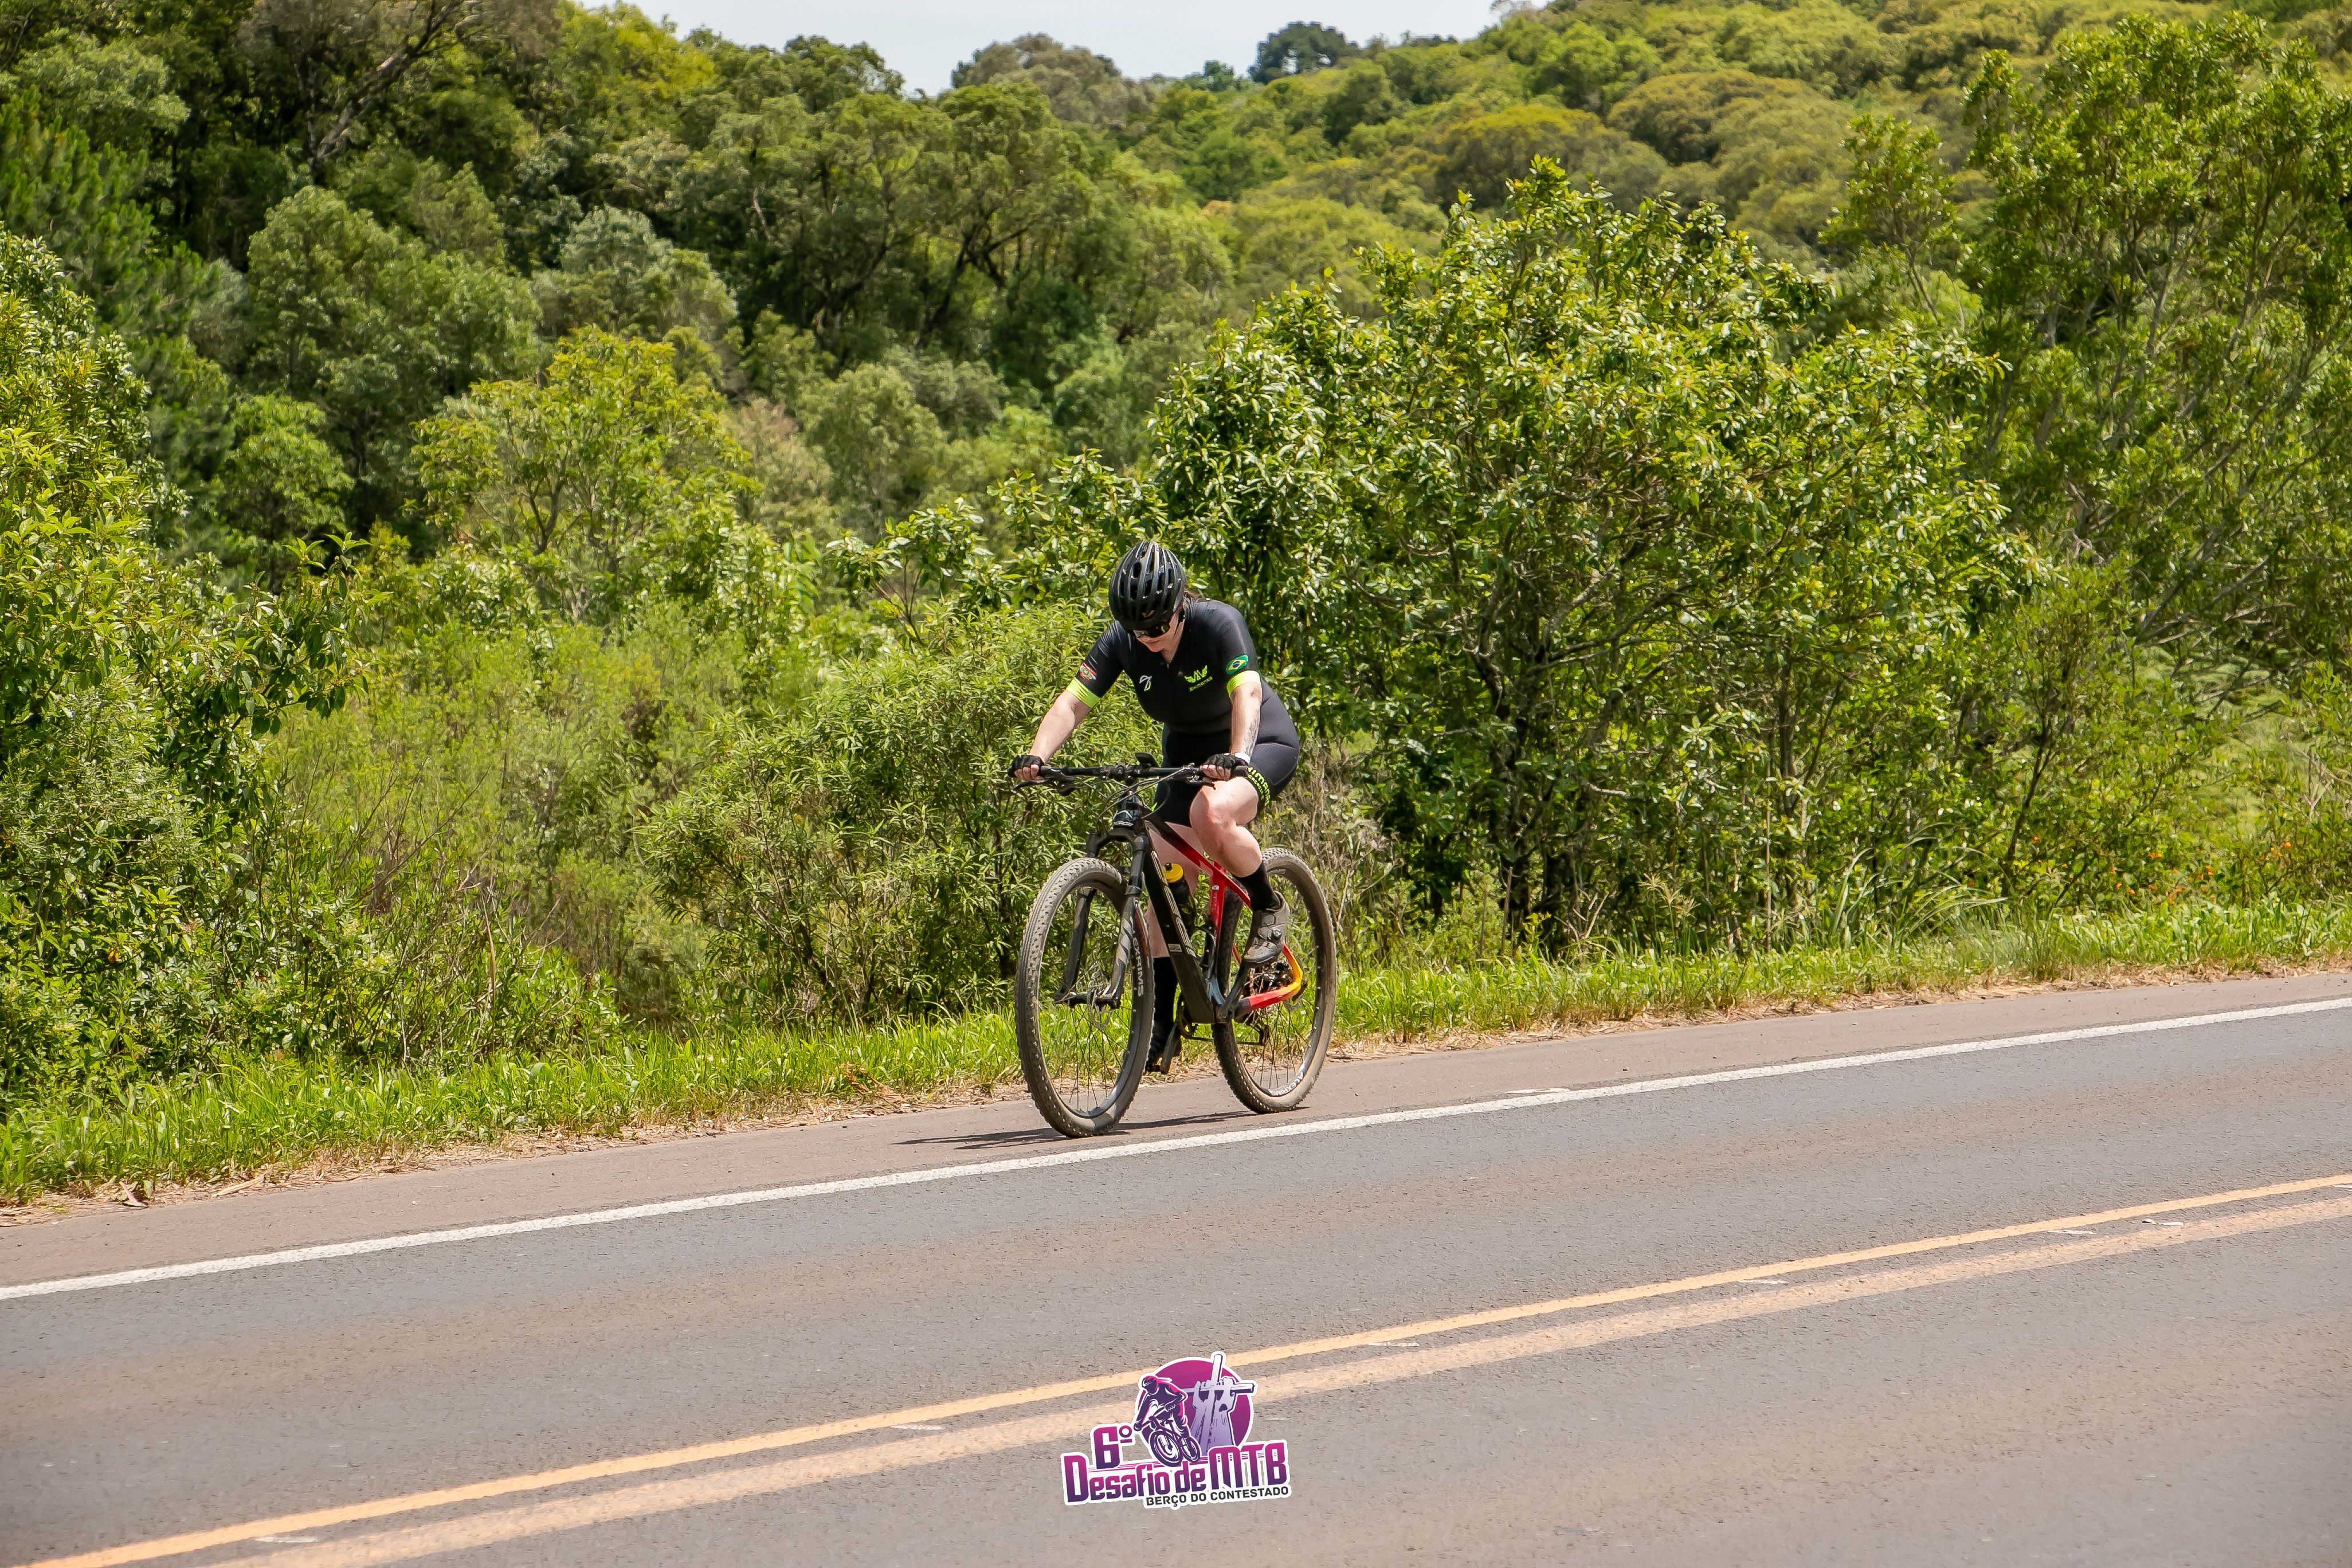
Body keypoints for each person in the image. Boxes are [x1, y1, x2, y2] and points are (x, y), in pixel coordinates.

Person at [1011, 540, 1302, 1071]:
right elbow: (1073, 702)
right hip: (1186, 754)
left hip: (1258, 740)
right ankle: (1162, 1028)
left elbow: (1247, 695)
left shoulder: (1217, 623)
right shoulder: (1123, 640)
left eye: (1157, 626)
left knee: (1211, 814)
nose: (1147, 637)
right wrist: (1038, 756)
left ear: (1179, 606)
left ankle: (1268, 906)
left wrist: (1238, 757)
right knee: (1165, 888)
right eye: (1136, 629)